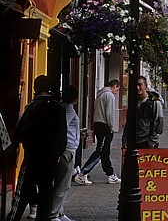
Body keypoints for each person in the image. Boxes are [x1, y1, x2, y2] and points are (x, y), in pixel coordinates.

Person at [7, 75, 66, 221]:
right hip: (51, 158)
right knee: (46, 193)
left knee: (23, 193)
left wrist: (27, 144)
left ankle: (14, 218)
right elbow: (62, 134)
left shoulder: (32, 107)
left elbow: (19, 131)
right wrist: (58, 152)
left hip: (32, 157)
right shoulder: (58, 108)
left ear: (35, 88)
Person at [74, 79, 120, 185]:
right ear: (114, 86)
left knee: (105, 151)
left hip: (97, 123)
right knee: (100, 151)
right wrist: (111, 127)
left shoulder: (99, 95)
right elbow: (109, 113)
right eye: (117, 89)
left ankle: (110, 174)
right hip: (105, 126)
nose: (116, 92)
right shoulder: (110, 96)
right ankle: (82, 173)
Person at [50, 85, 79, 221]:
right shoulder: (69, 110)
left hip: (67, 147)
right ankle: (54, 213)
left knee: (60, 181)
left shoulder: (63, 108)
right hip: (68, 149)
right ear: (76, 98)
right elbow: (63, 126)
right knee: (64, 184)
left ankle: (59, 211)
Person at [122, 76, 164, 149]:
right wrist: (125, 141)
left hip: (148, 143)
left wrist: (151, 143)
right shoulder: (132, 103)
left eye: (140, 84)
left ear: (145, 86)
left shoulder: (154, 103)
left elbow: (158, 125)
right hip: (133, 142)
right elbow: (128, 123)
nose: (137, 87)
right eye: (135, 85)